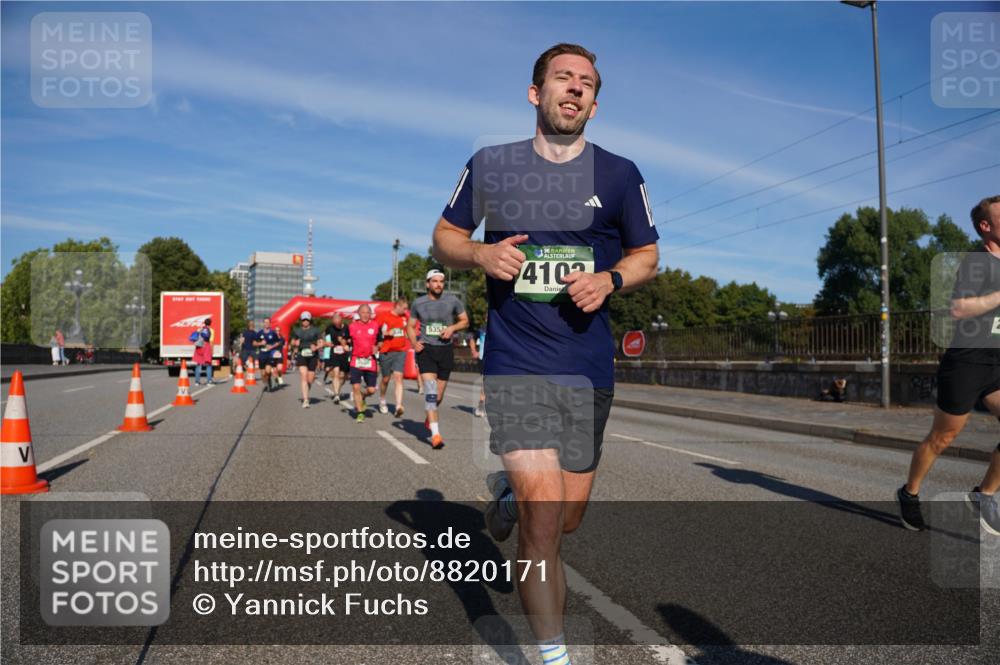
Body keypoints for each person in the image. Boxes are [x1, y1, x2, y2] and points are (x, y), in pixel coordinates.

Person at [431, 43, 660, 663]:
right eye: (564, 78)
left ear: (594, 101)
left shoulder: (619, 174)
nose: (576, 89)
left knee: (566, 521)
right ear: (536, 94)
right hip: (517, 363)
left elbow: (646, 256)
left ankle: (504, 497)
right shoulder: (492, 165)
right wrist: (479, 253)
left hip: (586, 367)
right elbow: (445, 237)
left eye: (587, 82)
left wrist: (610, 279)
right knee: (542, 517)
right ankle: (553, 654)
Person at [897, 194, 1000, 536]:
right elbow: (959, 309)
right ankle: (909, 493)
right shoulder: (976, 262)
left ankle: (983, 496)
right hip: (967, 360)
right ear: (986, 226)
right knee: (943, 436)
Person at [406, 270, 469, 449]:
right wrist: (414, 343)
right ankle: (435, 435)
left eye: (441, 281)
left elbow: (465, 321)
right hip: (426, 350)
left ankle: (429, 418)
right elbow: (410, 326)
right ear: (427, 284)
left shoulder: (452, 301)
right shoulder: (418, 303)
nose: (438, 284)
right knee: (431, 392)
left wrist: (452, 328)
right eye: (434, 281)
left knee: (438, 396)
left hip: (445, 350)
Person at [377, 297, 410, 417]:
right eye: (405, 308)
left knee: (398, 378)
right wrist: (386, 333)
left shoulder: (404, 317)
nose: (406, 311)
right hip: (386, 352)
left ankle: (398, 406)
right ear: (397, 306)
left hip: (400, 351)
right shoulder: (384, 316)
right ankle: (382, 400)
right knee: (386, 379)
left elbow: (408, 330)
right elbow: (375, 331)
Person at [348, 304, 381, 423]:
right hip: (356, 360)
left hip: (370, 361)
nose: (366, 315)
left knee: (372, 390)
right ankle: (360, 412)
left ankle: (363, 396)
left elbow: (380, 341)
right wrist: (344, 344)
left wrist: (377, 346)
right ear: (359, 313)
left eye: (368, 312)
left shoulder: (376, 325)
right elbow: (346, 339)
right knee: (356, 386)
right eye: (363, 312)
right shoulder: (352, 326)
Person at [290, 311, 323, 408]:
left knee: (310, 379)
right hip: (301, 355)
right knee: (303, 376)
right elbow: (292, 342)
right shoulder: (297, 330)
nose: (305, 321)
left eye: (307, 319)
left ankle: (306, 393)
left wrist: (316, 347)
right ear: (301, 320)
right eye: (303, 319)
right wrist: (295, 343)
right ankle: (305, 400)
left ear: (310, 320)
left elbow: (321, 342)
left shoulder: (316, 330)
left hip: (313, 356)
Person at [323, 312, 352, 404]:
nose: (335, 322)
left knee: (343, 376)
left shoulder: (347, 327)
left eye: (337, 320)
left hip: (345, 353)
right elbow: (327, 341)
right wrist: (327, 344)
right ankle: (336, 395)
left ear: (341, 320)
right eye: (334, 320)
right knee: (336, 373)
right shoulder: (329, 328)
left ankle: (338, 390)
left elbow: (350, 339)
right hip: (334, 352)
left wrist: (346, 343)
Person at [255, 317, 282, 391]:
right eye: (265, 322)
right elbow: (254, 343)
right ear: (263, 323)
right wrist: (260, 343)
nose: (266, 323)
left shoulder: (273, 333)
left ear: (270, 324)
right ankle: (267, 383)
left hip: (270, 355)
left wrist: (271, 346)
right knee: (263, 374)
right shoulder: (259, 333)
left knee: (268, 371)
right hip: (261, 355)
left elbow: (278, 342)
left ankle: (272, 381)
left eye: (268, 322)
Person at [469, 314, 488, 417]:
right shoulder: (481, 329)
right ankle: (481, 405)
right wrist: (473, 351)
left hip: (496, 358)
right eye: (487, 317)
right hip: (483, 358)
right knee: (486, 381)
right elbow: (472, 339)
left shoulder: (500, 328)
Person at [192, 318, 215, 385]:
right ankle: (209, 381)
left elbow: (196, 338)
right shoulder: (211, 330)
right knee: (208, 364)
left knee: (198, 364)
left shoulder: (199, 329)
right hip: (206, 346)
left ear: (204, 323)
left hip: (199, 347)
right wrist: (212, 351)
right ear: (210, 323)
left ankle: (197, 381)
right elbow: (211, 342)